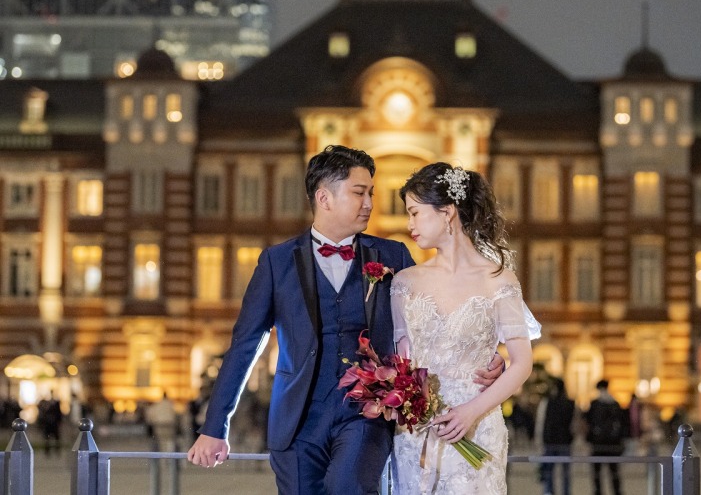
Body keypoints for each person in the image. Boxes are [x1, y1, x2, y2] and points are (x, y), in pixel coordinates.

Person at [187, 146, 504, 494]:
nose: (369, 202)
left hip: (366, 415)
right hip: (296, 421)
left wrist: (488, 354)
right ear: (324, 198)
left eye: (371, 193)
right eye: (359, 192)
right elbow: (244, 345)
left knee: (348, 485)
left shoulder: (392, 255)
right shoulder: (277, 263)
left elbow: (437, 317)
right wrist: (215, 426)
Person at [389, 162, 540, 494]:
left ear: (447, 212)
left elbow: (522, 362)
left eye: (415, 212)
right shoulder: (404, 283)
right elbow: (401, 364)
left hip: (478, 425)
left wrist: (471, 412)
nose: (409, 223)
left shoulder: (499, 279)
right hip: (417, 432)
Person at [585, 379, 625, 495]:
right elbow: (621, 423)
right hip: (613, 443)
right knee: (614, 470)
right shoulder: (615, 403)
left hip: (598, 442)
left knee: (597, 470)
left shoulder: (595, 404)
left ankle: (598, 491)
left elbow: (588, 421)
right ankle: (616, 491)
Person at [540, 377, 575, 495]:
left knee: (549, 470)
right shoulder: (570, 403)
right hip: (565, 440)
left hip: (550, 440)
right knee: (565, 471)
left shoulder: (549, 402)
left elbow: (544, 422)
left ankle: (549, 492)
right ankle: (566, 492)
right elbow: (572, 423)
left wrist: (542, 438)